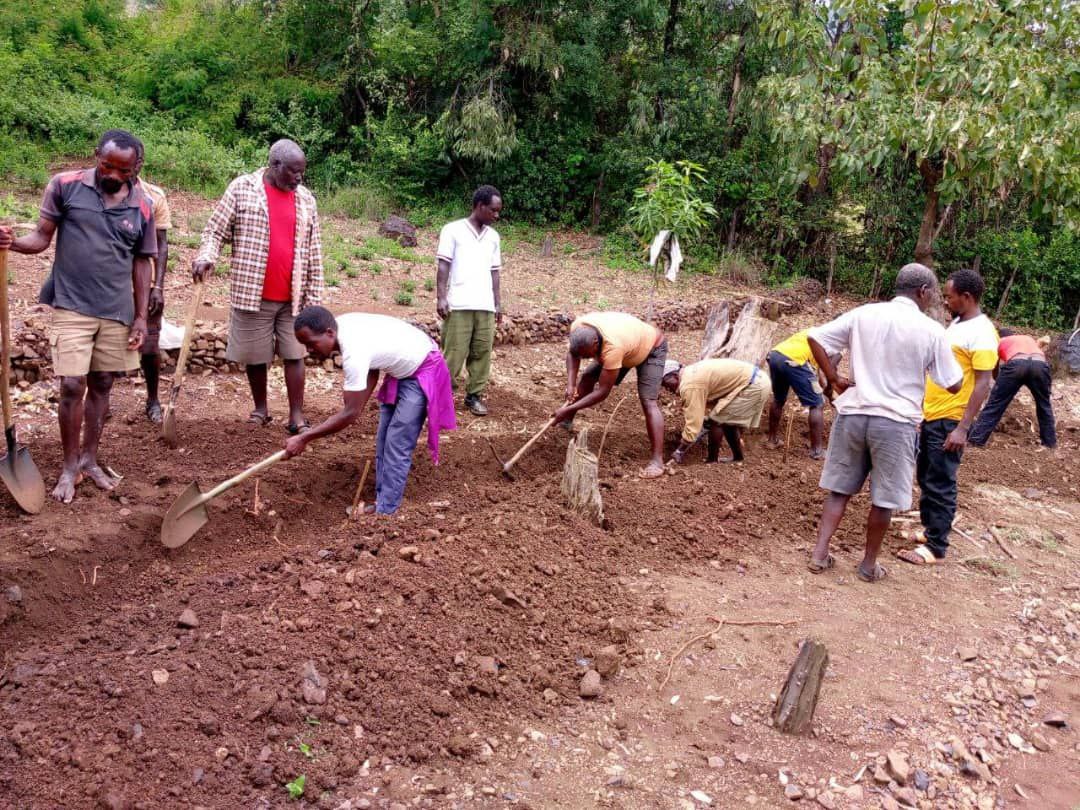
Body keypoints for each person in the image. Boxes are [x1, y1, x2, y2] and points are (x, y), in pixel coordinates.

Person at [0, 129, 155, 503]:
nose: (113, 175)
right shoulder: (65, 186)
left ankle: (89, 460)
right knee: (72, 384)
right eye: (107, 166)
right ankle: (69, 467)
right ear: (96, 156)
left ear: (137, 167)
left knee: (102, 382)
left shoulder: (143, 205)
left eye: (123, 170)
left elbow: (141, 263)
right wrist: (13, 244)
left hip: (117, 310)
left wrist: (140, 317)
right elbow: (41, 237)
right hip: (71, 303)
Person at [805, 263, 963, 583]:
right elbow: (953, 383)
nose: (935, 298)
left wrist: (833, 377)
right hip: (895, 423)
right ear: (923, 292)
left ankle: (819, 555)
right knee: (884, 498)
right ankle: (868, 566)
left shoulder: (863, 314)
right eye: (933, 293)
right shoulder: (932, 330)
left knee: (839, 490)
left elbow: (814, 337)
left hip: (853, 414)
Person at [192, 139, 324, 434]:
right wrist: (206, 257)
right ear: (275, 165)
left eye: (302, 172)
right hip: (252, 291)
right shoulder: (242, 188)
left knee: (295, 353)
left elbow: (314, 250)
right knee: (256, 355)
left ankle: (296, 417)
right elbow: (215, 230)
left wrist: (314, 298)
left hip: (294, 296)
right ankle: (261, 410)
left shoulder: (305, 200)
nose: (299, 178)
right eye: (293, 172)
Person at [285, 306, 456, 515]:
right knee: (384, 440)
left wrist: (305, 438)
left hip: (423, 368)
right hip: (402, 371)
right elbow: (372, 369)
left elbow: (350, 414)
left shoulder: (353, 352)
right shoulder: (341, 325)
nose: (309, 350)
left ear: (329, 333)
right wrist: (356, 404)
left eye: (311, 344)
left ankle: (386, 512)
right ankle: (383, 503)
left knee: (397, 444)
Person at [898, 268, 997, 566]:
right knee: (926, 476)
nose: (945, 301)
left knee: (941, 480)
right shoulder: (957, 324)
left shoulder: (982, 332)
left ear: (966, 297)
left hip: (952, 419)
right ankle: (931, 531)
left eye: (949, 296)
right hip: (933, 414)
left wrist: (963, 428)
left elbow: (984, 382)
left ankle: (936, 547)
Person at [554, 312, 668, 478]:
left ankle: (657, 461)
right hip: (629, 344)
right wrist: (571, 385)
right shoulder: (578, 327)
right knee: (587, 377)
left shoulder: (613, 347)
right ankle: (566, 422)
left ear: (595, 343)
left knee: (648, 401)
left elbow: (602, 392)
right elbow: (573, 354)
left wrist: (567, 407)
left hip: (652, 348)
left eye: (588, 354)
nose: (587, 358)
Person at [436, 185, 503, 416]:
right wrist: (441, 296)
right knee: (453, 353)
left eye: (498, 211)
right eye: (493, 210)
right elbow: (443, 264)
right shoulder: (452, 230)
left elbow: (495, 272)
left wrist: (497, 302)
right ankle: (442, 399)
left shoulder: (494, 237)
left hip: (484, 305)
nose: (496, 215)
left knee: (482, 353)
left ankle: (474, 396)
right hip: (460, 304)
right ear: (480, 206)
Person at [662, 358, 771, 464]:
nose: (666, 388)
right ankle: (738, 457)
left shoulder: (690, 385)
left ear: (673, 376)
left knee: (717, 421)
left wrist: (680, 450)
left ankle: (712, 461)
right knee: (727, 421)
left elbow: (693, 422)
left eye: (664, 383)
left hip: (754, 385)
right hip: (757, 380)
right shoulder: (690, 374)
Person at [967, 329, 1056, 449]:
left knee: (995, 405)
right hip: (1040, 365)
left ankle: (976, 441)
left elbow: (994, 368)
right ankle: (1050, 443)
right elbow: (1034, 355)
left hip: (1016, 364)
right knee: (1044, 405)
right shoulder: (1027, 338)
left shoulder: (998, 342)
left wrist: (1000, 386)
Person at [135, 165, 172, 423]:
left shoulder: (153, 196)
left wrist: (158, 287)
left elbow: (161, 244)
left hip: (145, 284)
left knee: (149, 348)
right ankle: (100, 403)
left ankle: (153, 399)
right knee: (103, 347)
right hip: (107, 285)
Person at [765, 329, 836, 459]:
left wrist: (826, 390)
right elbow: (830, 373)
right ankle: (817, 451)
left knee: (778, 399)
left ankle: (772, 440)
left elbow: (819, 372)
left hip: (775, 355)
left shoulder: (814, 330)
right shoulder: (837, 342)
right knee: (817, 404)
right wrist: (831, 395)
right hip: (794, 360)